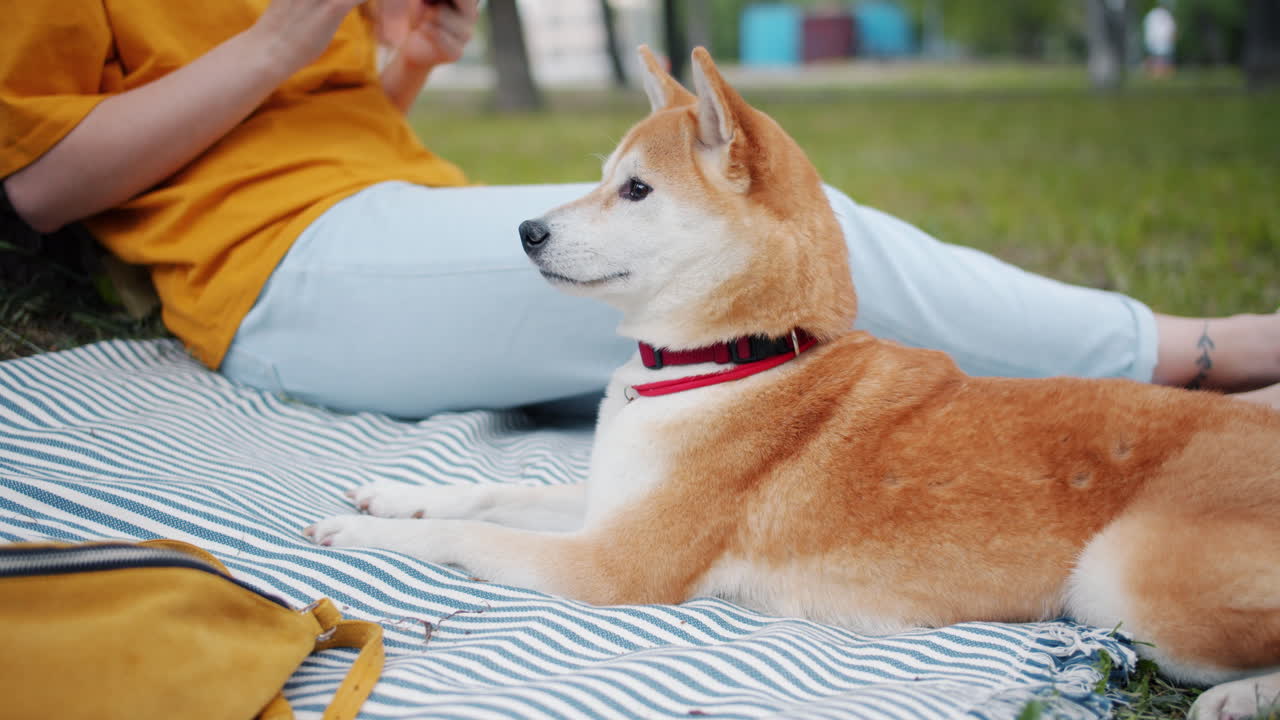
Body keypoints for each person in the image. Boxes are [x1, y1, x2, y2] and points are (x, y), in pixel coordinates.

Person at [2, 0, 1277, 419]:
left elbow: (329, 136)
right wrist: (289, 32)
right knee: (762, 247)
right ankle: (1199, 356)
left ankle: (1145, 429)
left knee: (793, 382)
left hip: (379, 222)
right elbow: (45, 181)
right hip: (280, 274)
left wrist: (408, 60)